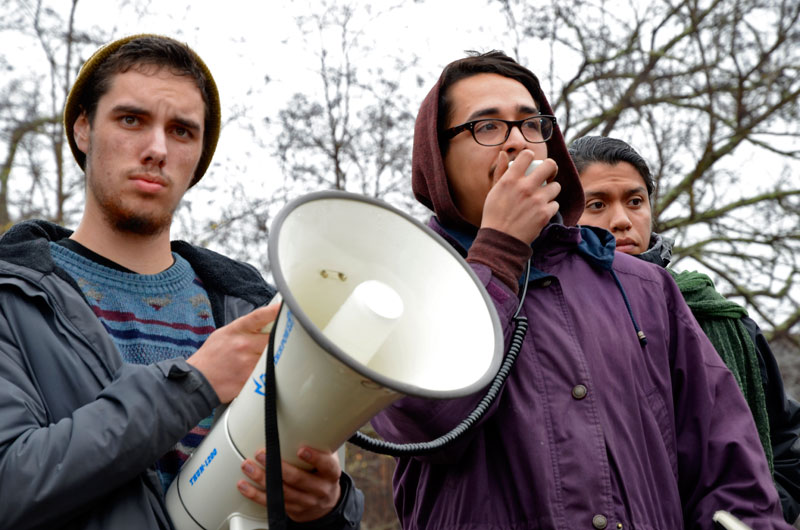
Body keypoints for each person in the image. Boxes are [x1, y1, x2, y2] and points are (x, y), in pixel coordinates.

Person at [369, 50, 791, 529]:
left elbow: (730, 473)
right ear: (436, 158)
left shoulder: (644, 287)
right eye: (486, 127)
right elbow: (424, 424)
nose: (516, 143)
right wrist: (500, 251)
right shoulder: (399, 290)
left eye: (531, 124)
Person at [0, 34, 362, 529]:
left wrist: (328, 506)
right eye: (131, 120)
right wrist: (195, 383)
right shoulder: (12, 298)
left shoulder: (245, 307)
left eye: (182, 131)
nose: (156, 149)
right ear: (83, 129)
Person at [570, 134, 800, 525]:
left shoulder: (718, 317)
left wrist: (754, 507)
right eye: (597, 204)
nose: (623, 219)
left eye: (635, 201)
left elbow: (787, 443)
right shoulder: (544, 318)